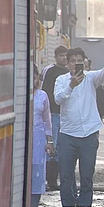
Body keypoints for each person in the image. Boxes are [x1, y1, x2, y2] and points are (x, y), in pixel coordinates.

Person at [54, 48, 104, 207]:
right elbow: (58, 99)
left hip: (89, 134)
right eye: (73, 61)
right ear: (67, 63)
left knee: (86, 176)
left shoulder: (91, 78)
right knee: (66, 176)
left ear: (84, 62)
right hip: (68, 134)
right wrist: (71, 86)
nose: (76, 64)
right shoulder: (61, 80)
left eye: (79, 60)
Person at [41, 45, 69, 190]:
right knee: (51, 146)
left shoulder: (68, 72)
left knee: (60, 147)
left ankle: (53, 181)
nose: (64, 58)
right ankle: (46, 179)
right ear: (56, 57)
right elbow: (44, 92)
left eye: (65, 55)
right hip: (52, 114)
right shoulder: (50, 71)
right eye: (61, 55)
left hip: (65, 115)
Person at [32, 65, 54, 207]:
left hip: (38, 140)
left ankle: (33, 206)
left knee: (37, 171)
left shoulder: (42, 95)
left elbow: (47, 120)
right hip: (20, 139)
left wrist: (49, 141)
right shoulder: (16, 95)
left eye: (34, 77)